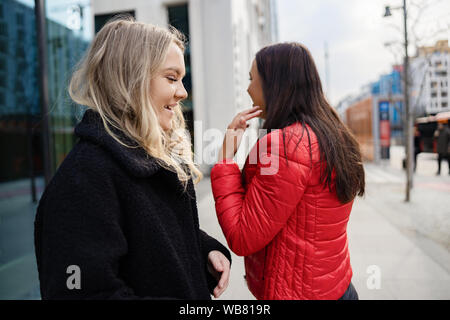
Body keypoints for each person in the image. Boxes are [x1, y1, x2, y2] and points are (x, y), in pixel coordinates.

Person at [34, 17, 231, 300]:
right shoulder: (84, 178)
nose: (183, 92)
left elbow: (151, 236)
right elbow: (81, 292)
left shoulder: (148, 158)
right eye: (172, 78)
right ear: (131, 79)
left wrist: (204, 249)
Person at [210, 42, 365, 300]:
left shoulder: (284, 145)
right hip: (337, 286)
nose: (247, 87)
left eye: (251, 79)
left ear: (274, 84)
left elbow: (241, 236)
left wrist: (225, 159)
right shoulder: (332, 134)